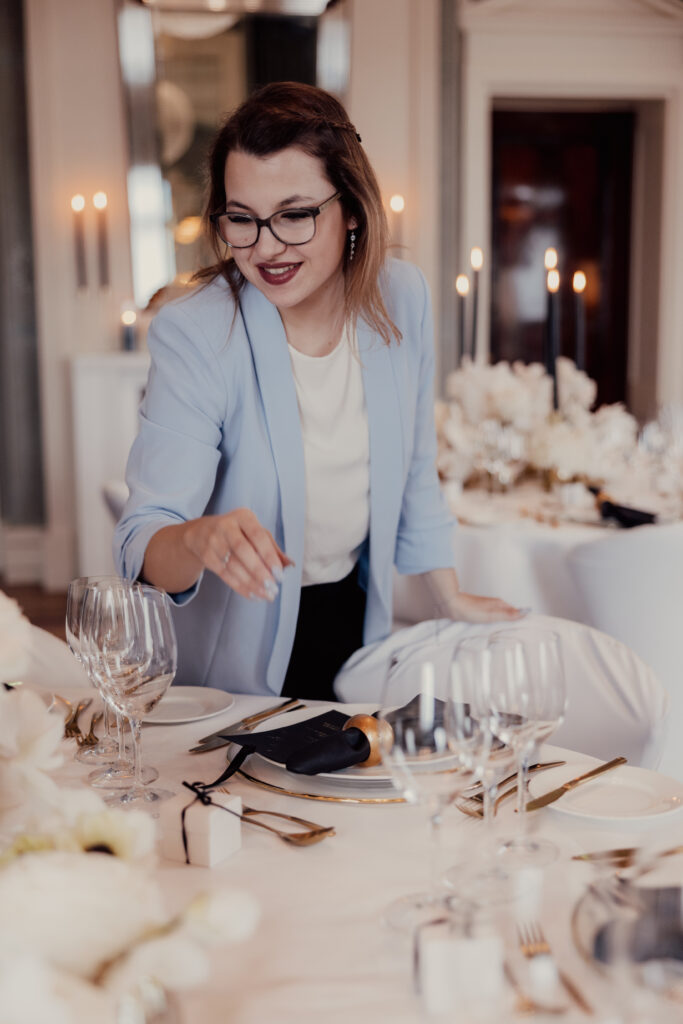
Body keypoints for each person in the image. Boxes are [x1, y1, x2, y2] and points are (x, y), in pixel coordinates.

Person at [114, 81, 521, 699]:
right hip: (233, 656)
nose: (266, 248)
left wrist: (449, 593)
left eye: (296, 215)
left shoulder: (401, 298)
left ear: (352, 207)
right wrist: (199, 537)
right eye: (241, 220)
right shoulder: (195, 333)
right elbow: (144, 542)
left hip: (356, 620)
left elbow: (413, 467)